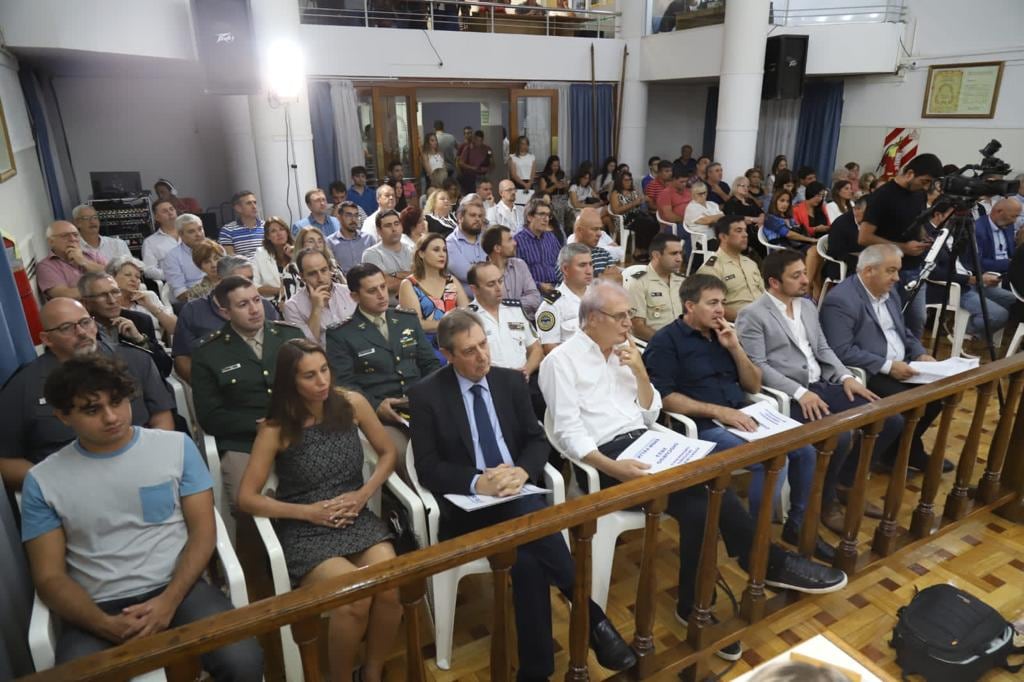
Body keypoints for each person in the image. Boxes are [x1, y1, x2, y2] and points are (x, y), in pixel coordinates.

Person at [542, 281, 847, 661]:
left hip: (647, 442)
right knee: (707, 498)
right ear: (591, 319)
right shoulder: (561, 362)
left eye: (627, 316)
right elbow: (567, 434)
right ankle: (763, 563)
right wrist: (614, 469)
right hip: (604, 460)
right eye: (620, 317)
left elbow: (650, 412)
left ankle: (696, 604)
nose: (628, 324)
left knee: (707, 500)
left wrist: (638, 372)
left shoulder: (624, 352)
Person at [409, 310, 637, 680]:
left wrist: (522, 471)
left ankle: (535, 671)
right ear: (448, 355)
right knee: (534, 518)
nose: (482, 355)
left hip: (518, 492)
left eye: (484, 344)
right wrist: (476, 482)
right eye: (469, 351)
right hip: (469, 508)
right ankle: (593, 618)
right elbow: (428, 466)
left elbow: (535, 439)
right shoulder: (426, 395)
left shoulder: (508, 382)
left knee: (529, 562)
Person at [19, 356, 263, 677]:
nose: (111, 417)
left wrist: (168, 601)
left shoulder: (175, 447)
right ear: (64, 416)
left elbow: (204, 533)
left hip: (179, 587)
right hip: (98, 605)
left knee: (243, 660)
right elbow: (49, 577)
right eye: (92, 410)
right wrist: (103, 624)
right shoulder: (43, 480)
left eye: (117, 402)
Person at [237, 340, 400, 682]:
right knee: (354, 599)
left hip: (354, 514)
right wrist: (309, 513)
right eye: (310, 376)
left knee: (388, 585)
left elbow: (387, 454)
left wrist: (363, 494)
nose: (322, 381)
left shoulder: (351, 403)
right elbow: (247, 498)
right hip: (306, 527)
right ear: (290, 382)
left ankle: (371, 673)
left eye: (324, 370)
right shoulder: (276, 427)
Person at [643, 275, 831, 561]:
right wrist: (719, 412)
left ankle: (797, 524)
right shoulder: (666, 341)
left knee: (805, 451)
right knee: (773, 462)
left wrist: (734, 347)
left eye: (723, 302)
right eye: (713, 303)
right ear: (690, 306)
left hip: (745, 415)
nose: (721, 310)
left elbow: (753, 385)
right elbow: (665, 398)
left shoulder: (724, 335)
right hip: (702, 425)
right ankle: (756, 542)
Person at [736, 250, 902, 534]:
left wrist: (846, 376)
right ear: (774, 282)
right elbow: (758, 366)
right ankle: (825, 501)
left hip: (824, 384)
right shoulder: (753, 315)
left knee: (890, 419)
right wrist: (800, 392)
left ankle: (844, 483)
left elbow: (823, 348)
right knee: (840, 435)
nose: (805, 279)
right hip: (790, 397)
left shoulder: (808, 305)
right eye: (796, 275)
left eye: (804, 272)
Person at [0, 298, 175, 491]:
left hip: (143, 472)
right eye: (67, 327)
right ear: (47, 339)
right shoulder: (23, 386)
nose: (81, 332)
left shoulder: (135, 361)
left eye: (85, 322)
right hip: (70, 490)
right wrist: (56, 485)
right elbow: (7, 461)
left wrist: (151, 463)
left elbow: (162, 417)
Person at [819, 244, 951, 473]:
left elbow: (903, 332)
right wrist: (888, 366)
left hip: (903, 364)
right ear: (869, 270)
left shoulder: (888, 294)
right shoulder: (841, 300)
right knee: (911, 403)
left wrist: (919, 352)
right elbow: (840, 350)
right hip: (869, 370)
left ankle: (898, 451)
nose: (897, 278)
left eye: (897, 271)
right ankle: (893, 454)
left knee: (937, 398)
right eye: (891, 271)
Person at [191, 276, 305, 511]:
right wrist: (261, 426)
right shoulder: (208, 352)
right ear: (225, 311)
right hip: (244, 441)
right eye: (243, 305)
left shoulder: (290, 336)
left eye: (257, 300)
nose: (255, 309)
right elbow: (210, 416)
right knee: (250, 506)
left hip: (299, 430)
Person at [326, 264, 440, 464]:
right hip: (381, 415)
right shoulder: (341, 334)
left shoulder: (406, 320)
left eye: (383, 287)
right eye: (372, 290)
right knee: (404, 454)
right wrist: (375, 406)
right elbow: (345, 385)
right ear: (354, 296)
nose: (381, 295)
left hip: (421, 405)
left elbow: (430, 364)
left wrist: (433, 398)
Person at [857, 153, 945, 339]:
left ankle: (913, 359)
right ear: (910, 173)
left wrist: (923, 237)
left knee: (917, 319)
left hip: (914, 268)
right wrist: (903, 248)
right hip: (886, 269)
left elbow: (917, 221)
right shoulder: (882, 196)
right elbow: (864, 237)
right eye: (925, 181)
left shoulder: (919, 194)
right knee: (886, 321)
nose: (927, 187)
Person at [171, 258, 279, 383]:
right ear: (220, 281)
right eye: (239, 282)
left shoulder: (264, 306)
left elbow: (280, 347)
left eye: (250, 279)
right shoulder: (193, 312)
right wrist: (204, 387)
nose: (248, 286)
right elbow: (182, 357)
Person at [79, 272, 173, 378]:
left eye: (115, 292)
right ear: (86, 303)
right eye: (102, 295)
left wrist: (140, 340)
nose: (112, 300)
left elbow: (165, 368)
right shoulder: (80, 330)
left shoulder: (140, 320)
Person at [398, 233, 469, 359]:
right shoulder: (409, 284)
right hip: (426, 343)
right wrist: (450, 323)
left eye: (444, 250)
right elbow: (416, 324)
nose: (442, 254)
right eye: (436, 250)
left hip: (455, 337)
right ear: (421, 254)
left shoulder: (451, 280)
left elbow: (467, 313)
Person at [696, 216, 766, 321]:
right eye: (739, 231)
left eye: (745, 231)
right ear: (723, 237)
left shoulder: (750, 263)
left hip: (765, 319)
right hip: (738, 325)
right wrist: (747, 320)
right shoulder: (712, 268)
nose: (745, 235)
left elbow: (764, 293)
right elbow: (712, 306)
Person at [284, 249, 356, 345]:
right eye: (312, 273)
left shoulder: (349, 292)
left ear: (330, 270)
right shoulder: (292, 307)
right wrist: (316, 309)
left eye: (323, 270)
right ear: (302, 277)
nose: (320, 278)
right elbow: (306, 347)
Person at [626, 232, 685, 341]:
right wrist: (667, 343)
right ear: (656, 255)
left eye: (680, 253)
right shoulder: (638, 283)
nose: (679, 259)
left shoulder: (682, 281)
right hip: (657, 345)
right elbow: (637, 327)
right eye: (673, 254)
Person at [536, 243, 592, 353]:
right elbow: (549, 348)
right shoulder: (550, 306)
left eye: (591, 264)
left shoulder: (600, 295)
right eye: (582, 265)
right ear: (565, 269)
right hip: (574, 365)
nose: (589, 271)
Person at [107, 256, 178, 340]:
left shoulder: (149, 296)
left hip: (153, 346)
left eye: (137, 277)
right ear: (112, 277)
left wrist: (151, 306)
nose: (134, 279)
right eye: (128, 275)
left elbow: (175, 329)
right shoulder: (106, 302)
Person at [36, 221, 107, 300]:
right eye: (65, 236)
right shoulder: (46, 266)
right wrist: (103, 287)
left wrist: (84, 261)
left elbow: (112, 274)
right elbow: (66, 295)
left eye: (75, 235)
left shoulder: (92, 255)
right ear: (51, 242)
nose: (73, 239)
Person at [483, 224, 542, 318]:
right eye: (510, 240)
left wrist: (510, 305)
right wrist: (519, 304)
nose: (515, 243)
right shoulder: (482, 273)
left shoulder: (520, 265)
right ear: (497, 248)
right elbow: (489, 306)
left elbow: (535, 298)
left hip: (525, 322)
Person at [361, 210, 414, 302]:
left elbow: (426, 278)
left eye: (396, 224)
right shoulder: (371, 254)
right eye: (388, 225)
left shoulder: (413, 250)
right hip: (389, 309)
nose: (394, 229)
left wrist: (394, 275)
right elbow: (386, 285)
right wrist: (413, 276)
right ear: (379, 231)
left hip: (418, 304)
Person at [514, 197, 563, 297]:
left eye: (548, 215)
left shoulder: (551, 237)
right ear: (529, 217)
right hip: (532, 292)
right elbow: (517, 274)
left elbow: (561, 264)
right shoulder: (518, 241)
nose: (546, 219)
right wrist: (538, 285)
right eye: (541, 214)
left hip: (556, 288)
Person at [610, 170, 658, 262]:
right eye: (626, 180)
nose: (629, 182)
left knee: (653, 223)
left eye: (630, 180)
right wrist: (633, 203)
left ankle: (646, 249)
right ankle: (638, 251)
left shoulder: (633, 191)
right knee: (643, 223)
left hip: (636, 216)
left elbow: (638, 204)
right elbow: (616, 211)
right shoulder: (615, 193)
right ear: (620, 181)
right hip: (623, 220)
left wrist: (643, 199)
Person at [162, 214, 209, 301]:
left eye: (200, 229)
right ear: (181, 234)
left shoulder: (217, 249)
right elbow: (181, 295)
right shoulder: (173, 257)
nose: (198, 234)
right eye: (191, 231)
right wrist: (209, 285)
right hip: (193, 302)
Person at [566, 207, 621, 280]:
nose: (599, 234)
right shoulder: (566, 256)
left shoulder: (604, 254)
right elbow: (574, 286)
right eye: (594, 229)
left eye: (600, 229)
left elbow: (618, 280)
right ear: (580, 230)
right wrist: (603, 278)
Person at [253, 216, 299, 303]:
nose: (279, 233)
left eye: (282, 229)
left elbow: (305, 279)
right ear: (268, 236)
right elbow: (254, 286)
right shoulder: (260, 254)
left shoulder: (297, 250)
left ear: (287, 232)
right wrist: (279, 291)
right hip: (272, 301)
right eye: (273, 231)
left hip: (298, 300)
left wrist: (293, 257)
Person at [446, 199, 488, 290]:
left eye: (480, 216)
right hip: (465, 301)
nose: (477, 219)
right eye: (473, 215)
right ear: (460, 218)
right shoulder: (450, 243)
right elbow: (467, 274)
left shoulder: (486, 238)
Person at [327, 201, 376, 275]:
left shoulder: (369, 239)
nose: (353, 220)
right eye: (349, 215)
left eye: (356, 215)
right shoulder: (330, 242)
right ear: (339, 217)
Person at [826, 195, 866, 280]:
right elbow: (835, 252)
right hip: (840, 264)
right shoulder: (841, 224)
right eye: (868, 212)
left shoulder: (868, 223)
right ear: (856, 210)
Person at [723, 175, 765, 254]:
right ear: (736, 186)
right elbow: (733, 218)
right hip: (742, 231)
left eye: (748, 186)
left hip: (756, 230)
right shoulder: (731, 202)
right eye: (743, 186)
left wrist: (761, 219)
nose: (746, 188)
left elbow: (761, 212)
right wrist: (754, 219)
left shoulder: (749, 201)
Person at [141, 199, 180, 281]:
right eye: (165, 211)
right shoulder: (150, 242)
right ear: (157, 217)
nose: (170, 212)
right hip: (172, 284)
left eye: (171, 209)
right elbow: (148, 270)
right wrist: (173, 275)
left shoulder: (191, 232)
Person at [218, 191, 265, 258]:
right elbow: (230, 258)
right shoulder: (227, 230)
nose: (254, 206)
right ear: (238, 208)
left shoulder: (266, 226)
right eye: (249, 203)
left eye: (255, 202)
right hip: (242, 267)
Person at [683, 181, 725, 248]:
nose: (703, 196)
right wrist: (715, 218)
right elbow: (706, 221)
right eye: (700, 194)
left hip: (717, 235)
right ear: (693, 195)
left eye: (704, 193)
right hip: (702, 239)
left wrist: (712, 219)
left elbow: (723, 218)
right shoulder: (691, 207)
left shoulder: (712, 204)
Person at [182, 238, 225, 302]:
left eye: (216, 258)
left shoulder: (236, 279)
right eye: (207, 262)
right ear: (200, 267)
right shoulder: (195, 293)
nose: (214, 265)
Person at [539, 155, 572, 230]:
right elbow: (543, 192)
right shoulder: (545, 176)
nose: (556, 167)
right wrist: (554, 186)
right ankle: (560, 229)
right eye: (554, 166)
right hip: (551, 199)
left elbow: (567, 189)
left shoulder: (561, 174)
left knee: (570, 209)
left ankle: (568, 230)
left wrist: (565, 185)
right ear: (550, 165)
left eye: (557, 165)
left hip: (563, 198)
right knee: (558, 208)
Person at [457, 130, 492, 196]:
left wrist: (488, 167)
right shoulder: (468, 148)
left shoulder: (487, 149)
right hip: (470, 175)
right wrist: (472, 168)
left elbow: (491, 162)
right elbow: (461, 163)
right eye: (477, 140)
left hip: (483, 174)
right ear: (474, 139)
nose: (479, 143)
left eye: (480, 141)